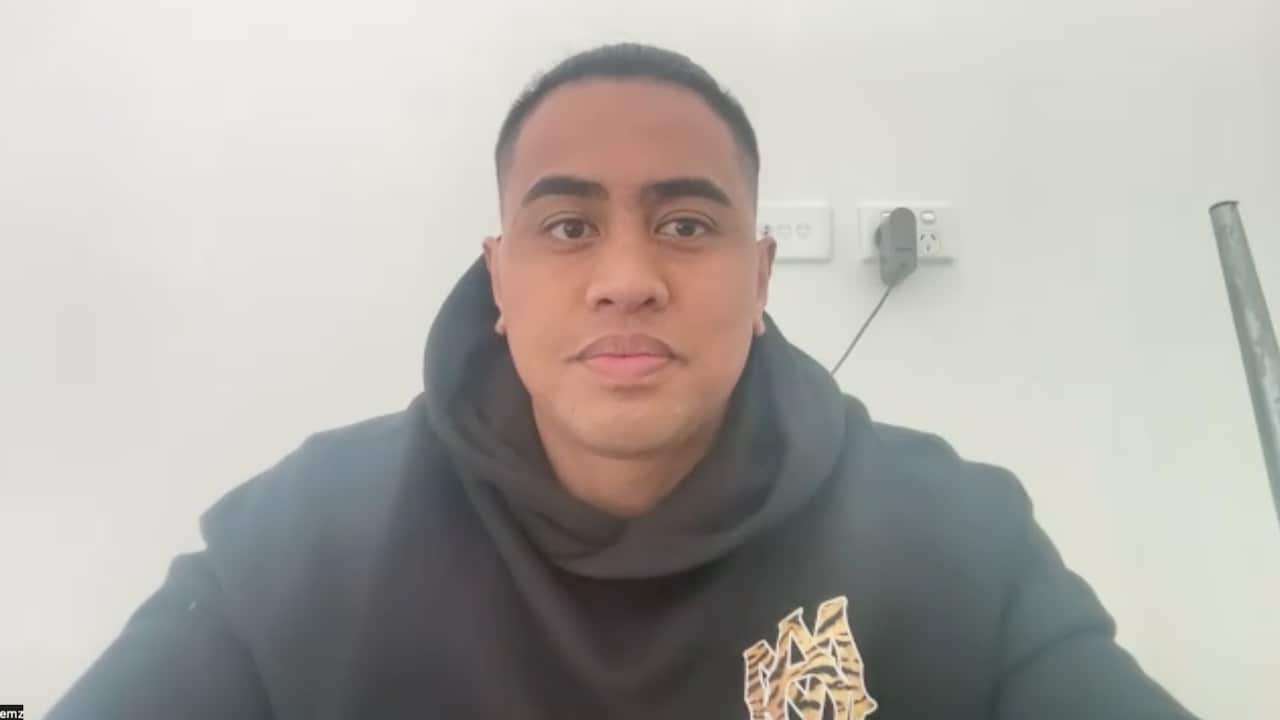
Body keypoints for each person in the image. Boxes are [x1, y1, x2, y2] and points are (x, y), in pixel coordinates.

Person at [49, 43, 1196, 719]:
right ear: (497, 276)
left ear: (758, 276)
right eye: (565, 226)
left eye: (685, 223)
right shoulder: (303, 539)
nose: (627, 280)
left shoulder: (957, 538)